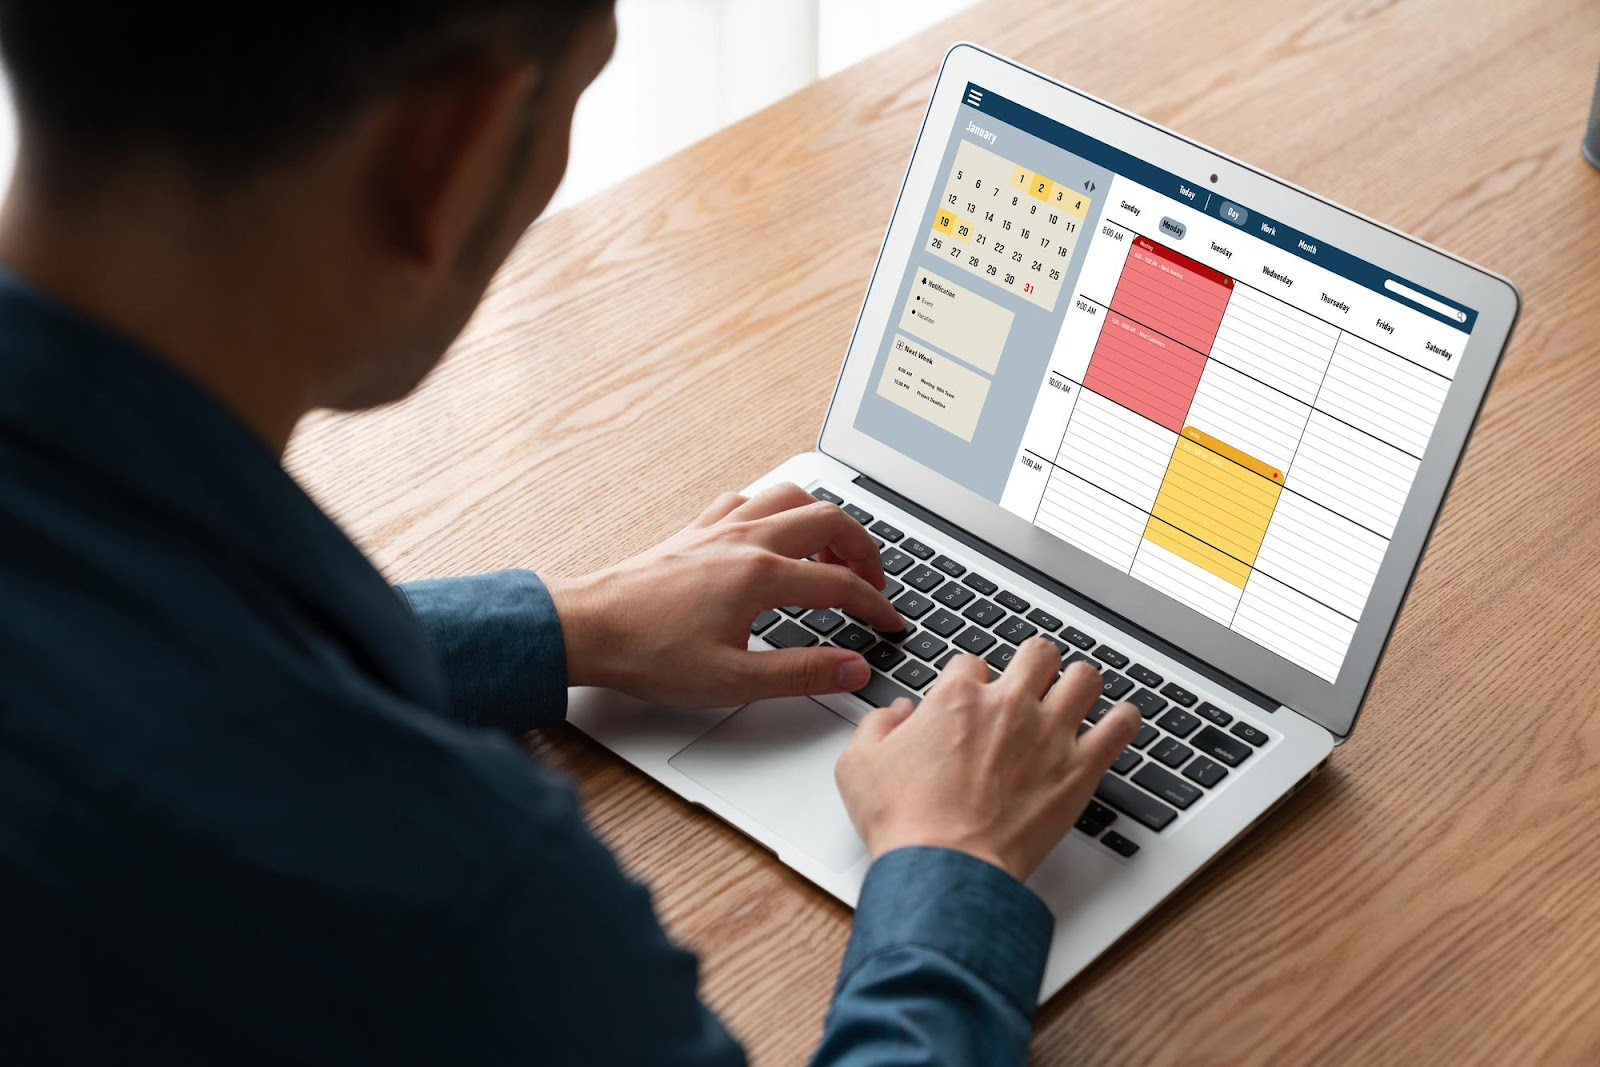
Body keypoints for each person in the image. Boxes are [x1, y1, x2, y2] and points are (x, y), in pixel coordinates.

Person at [0, 1, 1141, 1063]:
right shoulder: (455, 900)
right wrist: (952, 871)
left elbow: (144, 643)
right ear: (441, 154)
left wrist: (556, 625)